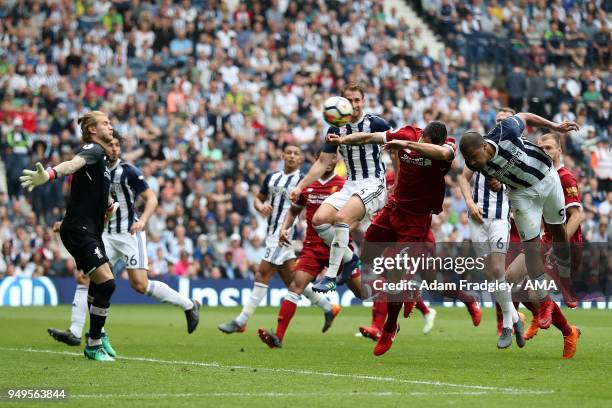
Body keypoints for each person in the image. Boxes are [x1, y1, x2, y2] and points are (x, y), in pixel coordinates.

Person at [47, 132, 200, 350]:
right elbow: (87, 203)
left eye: (117, 146)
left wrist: (143, 221)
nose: (114, 149)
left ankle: (189, 305)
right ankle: (74, 331)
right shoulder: (95, 170)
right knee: (85, 277)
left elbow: (152, 199)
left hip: (129, 233)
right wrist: (66, 221)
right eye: (110, 145)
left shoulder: (129, 171)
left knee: (140, 284)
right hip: (105, 234)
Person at [326, 121, 464, 356]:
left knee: (397, 274)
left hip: (416, 221)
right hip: (393, 210)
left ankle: (390, 327)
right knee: (368, 255)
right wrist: (342, 141)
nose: (422, 145)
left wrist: (408, 145)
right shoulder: (408, 132)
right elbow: (369, 137)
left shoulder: (445, 148)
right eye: (422, 142)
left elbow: (443, 153)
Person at [459, 112, 578, 330]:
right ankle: (545, 302)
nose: (473, 163)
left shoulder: (506, 131)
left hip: (546, 177)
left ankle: (566, 281)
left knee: (558, 231)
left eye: (475, 157)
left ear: (485, 147)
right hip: (521, 195)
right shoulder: (475, 162)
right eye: (470, 160)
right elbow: (493, 175)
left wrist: (556, 126)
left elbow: (525, 116)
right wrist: (497, 184)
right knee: (531, 248)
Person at [20, 111, 117, 362]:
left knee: (97, 284)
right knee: (107, 283)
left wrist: (108, 205)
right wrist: (50, 174)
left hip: (88, 229)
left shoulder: (103, 160)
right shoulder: (93, 150)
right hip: (80, 230)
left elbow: (94, 195)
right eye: (105, 123)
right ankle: (94, 343)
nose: (110, 125)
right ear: (93, 130)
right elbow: (72, 164)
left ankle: (99, 334)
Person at [218, 145, 338, 334]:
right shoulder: (271, 177)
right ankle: (328, 307)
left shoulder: (304, 181)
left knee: (262, 274)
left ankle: (241, 320)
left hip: (284, 235)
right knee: (293, 280)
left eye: (296, 154)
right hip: (271, 232)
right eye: (288, 153)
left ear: (301, 160)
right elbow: (258, 199)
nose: (291, 156)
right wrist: (260, 207)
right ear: (282, 155)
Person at [288, 83, 391, 293]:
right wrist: (300, 186)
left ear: (363, 101)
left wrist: (396, 181)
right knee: (319, 219)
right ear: (342, 103)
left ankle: (331, 275)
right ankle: (350, 258)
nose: (353, 105)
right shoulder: (335, 128)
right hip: (351, 184)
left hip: (374, 183)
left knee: (341, 219)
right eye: (349, 100)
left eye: (357, 100)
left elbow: (397, 148)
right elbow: (321, 163)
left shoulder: (376, 123)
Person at [258, 154, 355, 348]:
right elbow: (294, 210)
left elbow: (356, 215)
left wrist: (345, 230)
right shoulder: (308, 185)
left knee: (361, 290)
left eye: (332, 159)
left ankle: (384, 319)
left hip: (337, 246)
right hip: (312, 246)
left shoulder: (344, 184)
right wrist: (285, 228)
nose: (328, 161)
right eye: (324, 159)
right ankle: (277, 337)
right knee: (295, 286)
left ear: (336, 161)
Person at [505, 132, 582, 359]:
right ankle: (536, 316)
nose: (545, 151)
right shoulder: (538, 176)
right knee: (509, 278)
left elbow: (576, 216)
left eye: (549, 147)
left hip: (563, 244)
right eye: (541, 148)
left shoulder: (564, 176)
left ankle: (569, 333)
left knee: (535, 292)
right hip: (544, 240)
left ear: (560, 150)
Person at [458, 107, 525, 349]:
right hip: (477, 219)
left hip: (499, 218)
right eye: (497, 121)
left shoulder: (515, 154)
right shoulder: (479, 150)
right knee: (489, 275)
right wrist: (469, 202)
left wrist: (504, 184)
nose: (499, 125)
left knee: (497, 269)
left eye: (504, 121)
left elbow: (521, 187)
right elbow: (463, 178)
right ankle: (517, 318)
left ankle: (507, 324)